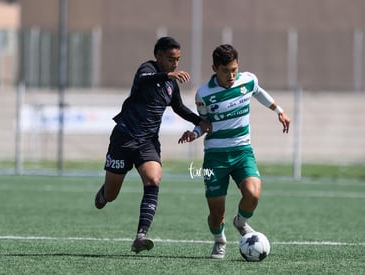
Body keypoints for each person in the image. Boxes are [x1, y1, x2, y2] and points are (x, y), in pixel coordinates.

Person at [94, 37, 210, 254]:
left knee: (153, 179)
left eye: (178, 59)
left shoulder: (170, 84)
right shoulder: (146, 70)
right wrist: (167, 74)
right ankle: (104, 192)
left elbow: (178, 108)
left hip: (147, 142)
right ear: (158, 56)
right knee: (110, 196)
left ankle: (140, 236)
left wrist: (199, 122)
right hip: (124, 139)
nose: (175, 64)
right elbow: (146, 80)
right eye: (170, 59)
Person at [178, 44, 290, 259]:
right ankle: (219, 241)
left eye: (234, 70)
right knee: (216, 212)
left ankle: (240, 222)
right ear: (214, 68)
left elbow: (259, 92)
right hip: (215, 157)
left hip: (242, 151)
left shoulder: (247, 80)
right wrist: (194, 133)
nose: (231, 75)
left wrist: (279, 111)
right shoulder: (204, 94)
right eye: (225, 70)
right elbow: (205, 123)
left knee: (253, 194)